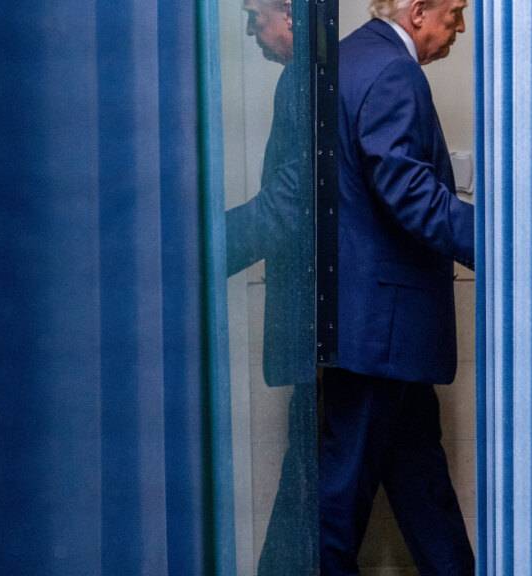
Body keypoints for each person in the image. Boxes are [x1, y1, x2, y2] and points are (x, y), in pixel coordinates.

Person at [322, 0, 475, 574]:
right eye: (455, 13)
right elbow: (409, 191)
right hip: (380, 330)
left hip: (376, 328)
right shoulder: (392, 70)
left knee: (421, 487)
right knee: (338, 504)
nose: (459, 27)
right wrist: (500, 244)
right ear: (417, 12)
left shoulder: (349, 59)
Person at [226, 0, 317, 573]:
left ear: (289, 13)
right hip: (357, 326)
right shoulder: (314, 75)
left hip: (329, 323)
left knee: (312, 477)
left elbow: (289, 201)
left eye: (254, 16)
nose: (251, 33)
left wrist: (201, 248)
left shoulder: (303, 79)